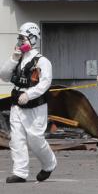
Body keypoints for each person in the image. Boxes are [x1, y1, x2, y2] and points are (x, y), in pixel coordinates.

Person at [0, 22, 57, 183]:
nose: (20, 42)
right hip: (17, 105)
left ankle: (49, 164)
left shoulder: (42, 61)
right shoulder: (18, 59)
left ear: (33, 39)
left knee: (35, 139)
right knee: (17, 139)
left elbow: (44, 84)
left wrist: (29, 94)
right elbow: (4, 75)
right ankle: (20, 172)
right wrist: (13, 58)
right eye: (19, 38)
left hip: (35, 106)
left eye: (23, 39)